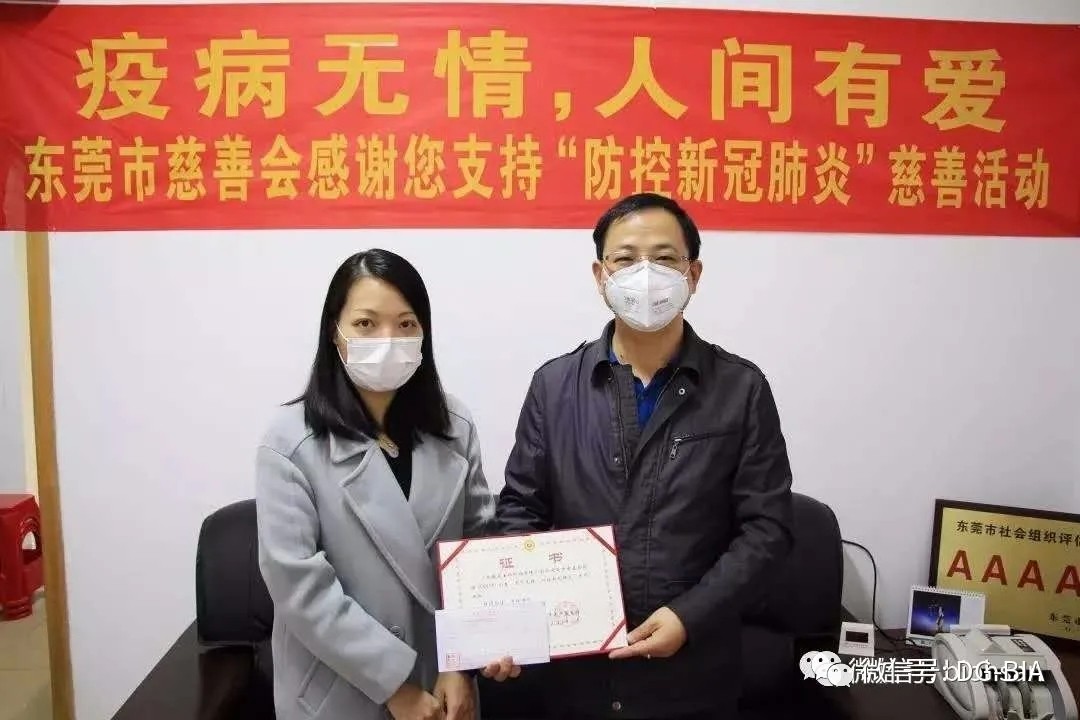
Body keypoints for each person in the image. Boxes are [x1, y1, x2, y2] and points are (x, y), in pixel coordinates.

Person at [496, 193, 795, 719]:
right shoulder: (554, 386)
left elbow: (767, 529)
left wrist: (690, 616)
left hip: (693, 676)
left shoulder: (741, 389)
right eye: (626, 259)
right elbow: (521, 512)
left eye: (664, 258)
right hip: (577, 676)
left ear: (693, 274)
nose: (646, 274)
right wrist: (511, 618)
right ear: (600, 275)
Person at [255, 249, 517, 720]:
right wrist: (396, 687)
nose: (388, 340)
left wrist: (463, 662)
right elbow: (300, 588)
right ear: (334, 332)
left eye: (406, 324)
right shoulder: (290, 441)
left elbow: (478, 553)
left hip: (444, 686)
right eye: (365, 324)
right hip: (341, 688)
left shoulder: (455, 426)